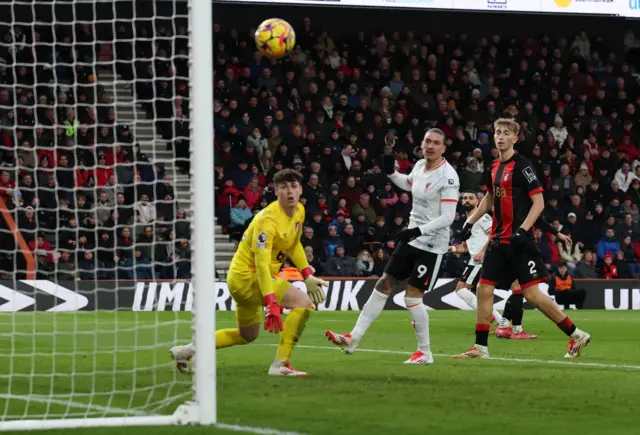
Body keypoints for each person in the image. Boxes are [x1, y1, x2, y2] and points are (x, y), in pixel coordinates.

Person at [454, 118, 590, 359]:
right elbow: (488, 198)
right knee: (484, 288)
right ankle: (481, 348)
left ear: (515, 139)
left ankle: (576, 334)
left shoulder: (523, 167)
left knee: (532, 296)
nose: (500, 137)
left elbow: (538, 203)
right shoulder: (494, 166)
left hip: (519, 242)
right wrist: (469, 222)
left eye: (506, 133)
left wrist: (522, 230)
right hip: (498, 240)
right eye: (497, 132)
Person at [170, 169, 328, 376]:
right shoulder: (267, 221)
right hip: (247, 277)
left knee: (247, 335)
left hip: (248, 279)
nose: (289, 191)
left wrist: (306, 275)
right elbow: (261, 264)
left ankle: (185, 351)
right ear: (275, 191)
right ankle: (280, 364)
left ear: (300, 190)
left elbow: (294, 244)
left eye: (293, 186)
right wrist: (271, 301)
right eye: (283, 187)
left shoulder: (299, 211)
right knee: (304, 304)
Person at [325, 129, 460, 365]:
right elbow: (408, 184)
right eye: (427, 141)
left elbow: (448, 217)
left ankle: (425, 353)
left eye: (436, 143)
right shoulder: (419, 166)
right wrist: (391, 172)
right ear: (422, 142)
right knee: (384, 283)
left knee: (412, 297)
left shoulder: (448, 177)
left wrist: (418, 230)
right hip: (411, 238)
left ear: (443, 148)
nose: (430, 146)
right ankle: (353, 338)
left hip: (431, 244)